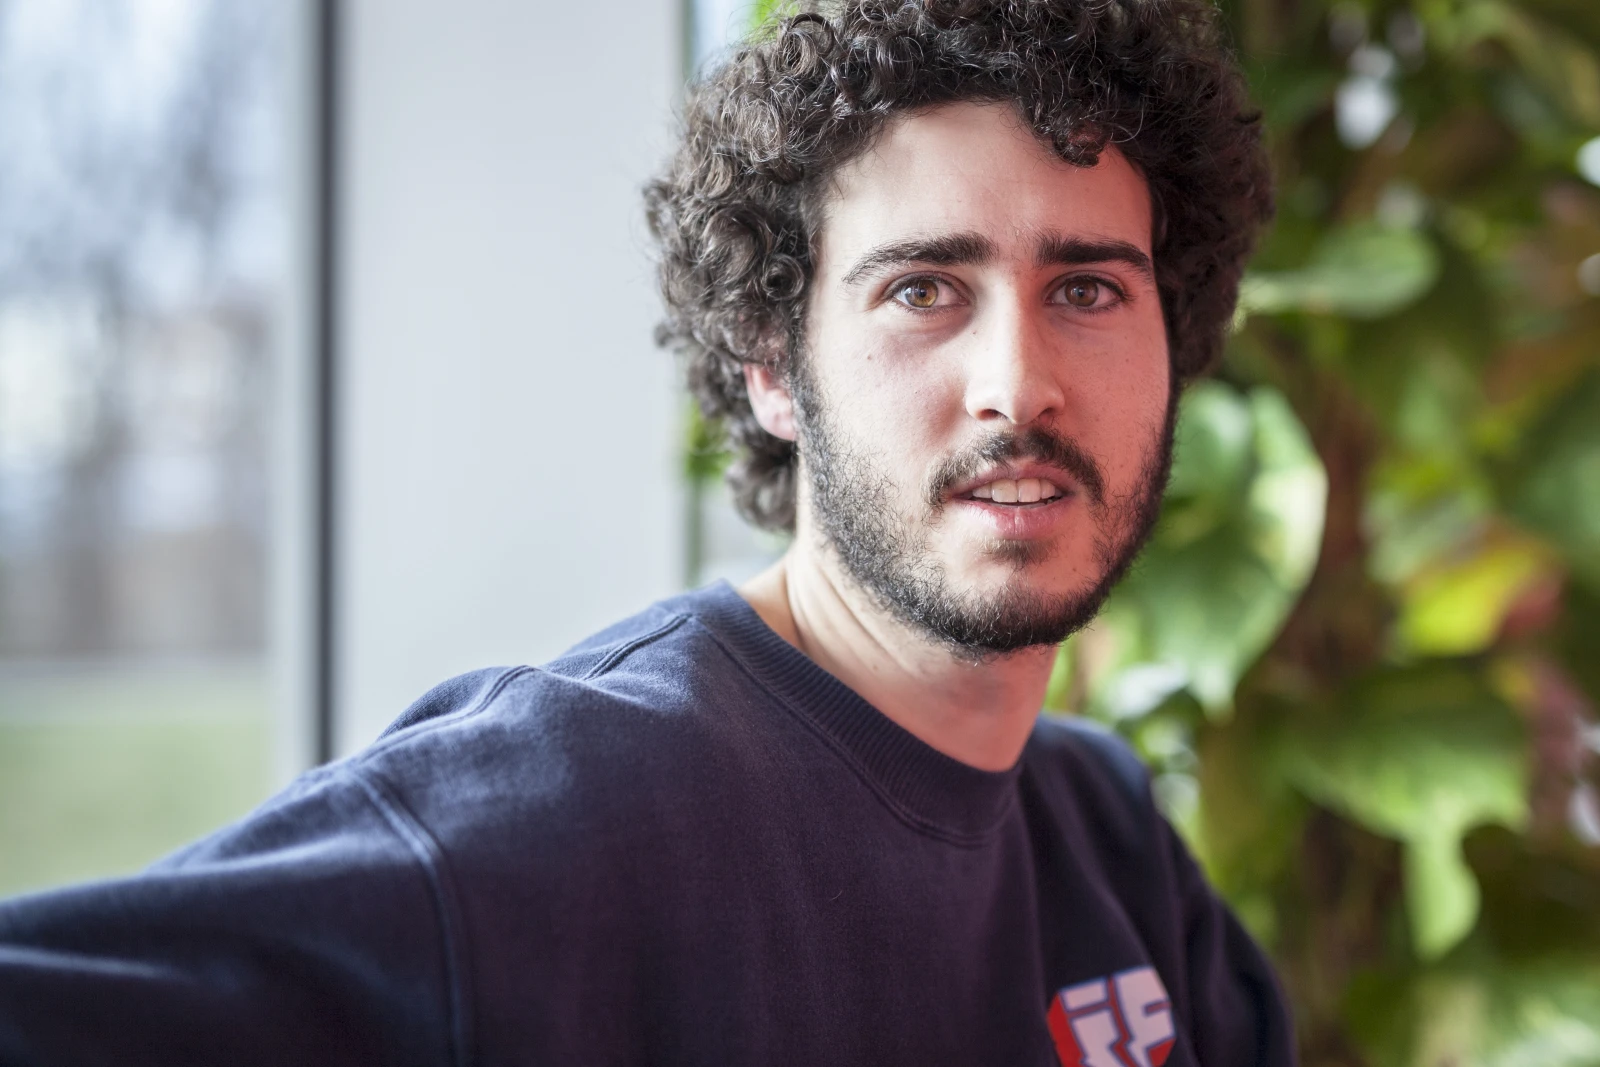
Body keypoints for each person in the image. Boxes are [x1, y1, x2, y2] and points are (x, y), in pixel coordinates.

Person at [0, 1, 1293, 1064]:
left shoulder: (1106, 837)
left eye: (1087, 289)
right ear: (773, 368)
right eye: (922, 290)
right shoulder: (560, 812)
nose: (1019, 383)